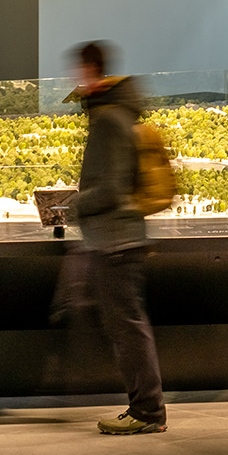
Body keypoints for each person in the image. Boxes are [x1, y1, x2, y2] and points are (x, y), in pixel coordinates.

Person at [68, 40, 166, 434]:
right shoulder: (123, 114)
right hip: (123, 238)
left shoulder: (108, 120)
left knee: (127, 329)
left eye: (78, 73)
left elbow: (109, 188)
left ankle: (147, 411)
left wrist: (73, 204)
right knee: (129, 327)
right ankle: (146, 409)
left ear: (89, 71)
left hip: (114, 242)